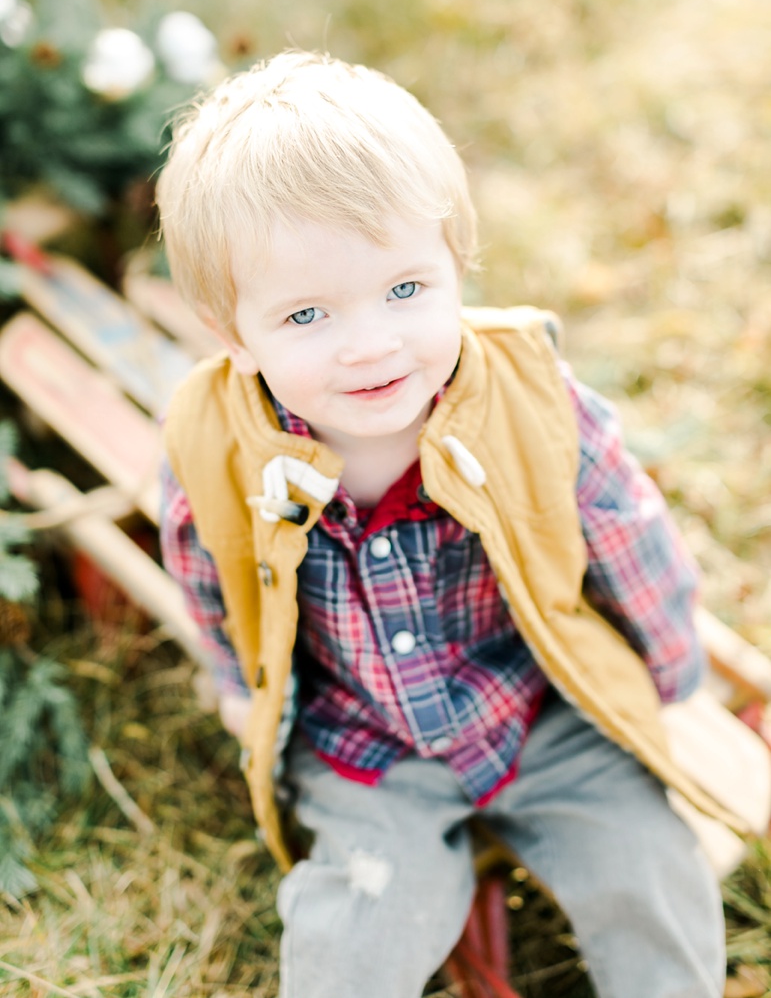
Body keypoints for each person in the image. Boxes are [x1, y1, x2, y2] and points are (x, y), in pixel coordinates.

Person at [156, 50, 729, 998]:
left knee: (652, 876)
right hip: (364, 741)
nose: (371, 341)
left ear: (454, 261)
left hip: (541, 703)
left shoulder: (529, 399)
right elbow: (209, 565)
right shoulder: (219, 440)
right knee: (353, 936)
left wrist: (669, 666)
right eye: (307, 314)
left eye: (405, 289)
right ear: (231, 333)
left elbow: (623, 524)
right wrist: (232, 679)